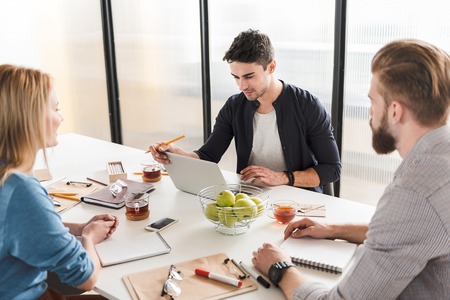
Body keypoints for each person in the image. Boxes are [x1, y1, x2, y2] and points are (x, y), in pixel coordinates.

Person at [251, 39, 450, 299]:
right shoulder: (439, 160)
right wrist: (334, 230)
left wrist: (279, 268)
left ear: (394, 111)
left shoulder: (414, 193)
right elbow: (413, 231)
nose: (370, 113)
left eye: (372, 101)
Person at [149, 29, 341, 193]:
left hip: (297, 202)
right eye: (236, 77)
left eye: (249, 76)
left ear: (271, 67)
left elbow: (332, 169)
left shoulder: (307, 105)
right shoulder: (234, 106)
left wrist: (281, 177)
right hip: (250, 199)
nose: (242, 86)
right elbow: (208, 156)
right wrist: (175, 154)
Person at [0, 64, 119, 299]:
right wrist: (88, 238)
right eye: (56, 108)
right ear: (30, 117)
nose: (61, 117)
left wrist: (75, 228)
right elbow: (85, 277)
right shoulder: (19, 189)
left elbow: (14, 228)